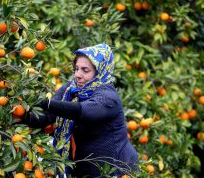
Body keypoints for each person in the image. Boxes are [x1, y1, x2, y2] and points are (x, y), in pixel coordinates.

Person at [24, 43, 138, 177]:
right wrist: (20, 114)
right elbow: (47, 117)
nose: (78, 75)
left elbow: (82, 112)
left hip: (117, 169)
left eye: (85, 70)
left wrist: (44, 103)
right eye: (76, 69)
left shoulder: (109, 98)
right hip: (84, 167)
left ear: (100, 71)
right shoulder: (71, 89)